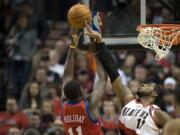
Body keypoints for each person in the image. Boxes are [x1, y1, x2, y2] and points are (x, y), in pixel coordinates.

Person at [85, 23, 171, 135]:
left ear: (154, 94)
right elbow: (113, 73)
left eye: (148, 85)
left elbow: (174, 125)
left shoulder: (156, 112)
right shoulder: (129, 100)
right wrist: (100, 43)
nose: (144, 84)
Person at [62, 30, 107, 135]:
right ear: (80, 93)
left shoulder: (64, 107)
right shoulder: (90, 105)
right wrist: (95, 52)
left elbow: (67, 76)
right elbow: (102, 79)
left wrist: (72, 48)